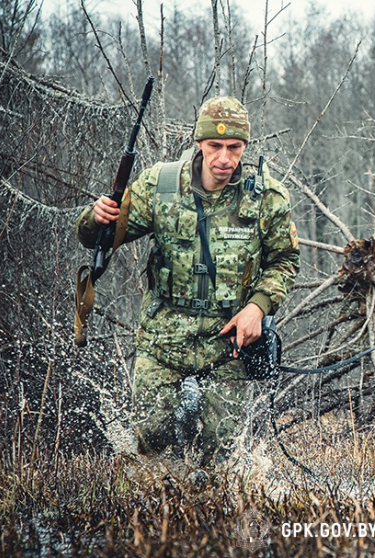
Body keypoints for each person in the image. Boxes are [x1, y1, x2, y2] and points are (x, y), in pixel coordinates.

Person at [75, 97, 300, 466]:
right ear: (199, 143)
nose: (224, 158)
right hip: (163, 337)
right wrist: (95, 217)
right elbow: (95, 239)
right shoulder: (161, 186)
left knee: (221, 456)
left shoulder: (266, 198)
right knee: (153, 445)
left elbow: (286, 260)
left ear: (245, 146)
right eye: (215, 146)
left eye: (234, 147)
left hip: (229, 341)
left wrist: (257, 309)